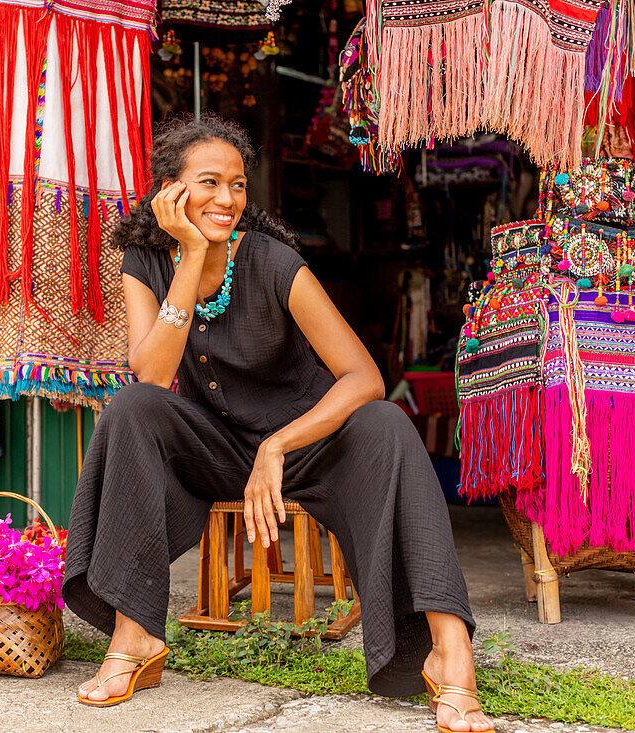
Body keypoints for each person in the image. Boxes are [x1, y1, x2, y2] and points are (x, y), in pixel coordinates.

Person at [62, 114, 493, 733]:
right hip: (211, 446)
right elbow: (152, 375)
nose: (227, 199)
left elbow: (362, 376)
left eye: (237, 185)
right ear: (169, 191)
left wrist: (279, 444)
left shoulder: (273, 262)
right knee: (132, 410)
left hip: (306, 443)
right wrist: (189, 255)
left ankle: (449, 655)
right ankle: (135, 639)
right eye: (209, 183)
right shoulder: (145, 261)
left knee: (388, 426)